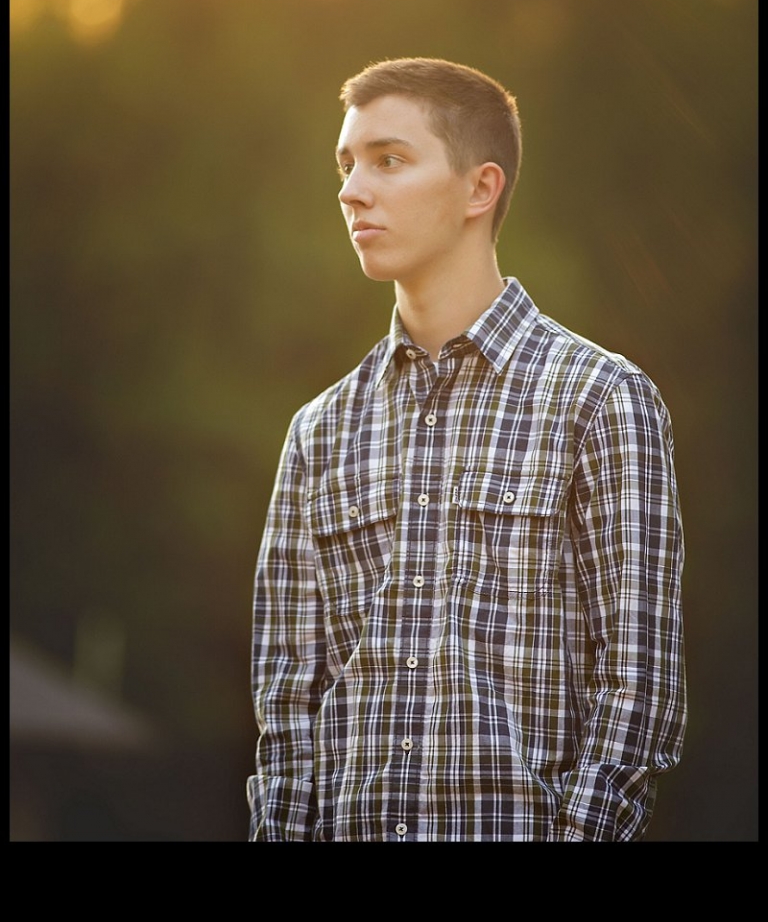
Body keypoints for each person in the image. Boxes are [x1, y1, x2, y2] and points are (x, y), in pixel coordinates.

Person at [247, 57, 686, 842]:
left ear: (480, 188)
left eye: (388, 160)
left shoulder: (601, 400)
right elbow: (286, 715)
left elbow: (638, 691)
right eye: (347, 165)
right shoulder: (319, 431)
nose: (352, 190)